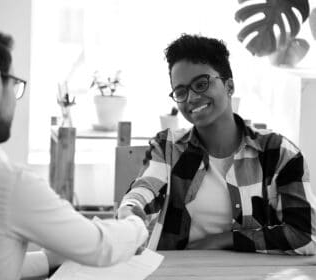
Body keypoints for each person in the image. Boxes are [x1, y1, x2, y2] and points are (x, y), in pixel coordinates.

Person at [0, 23, 148, 280]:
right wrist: (136, 224)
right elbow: (100, 246)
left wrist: (46, 260)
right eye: (15, 84)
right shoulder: (9, 183)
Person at [118, 33, 316, 254]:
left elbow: (307, 236)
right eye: (181, 91)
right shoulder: (168, 148)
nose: (191, 98)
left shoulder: (279, 153)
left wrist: (226, 240)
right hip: (180, 272)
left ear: (229, 86)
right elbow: (146, 188)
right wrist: (129, 208)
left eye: (201, 84)